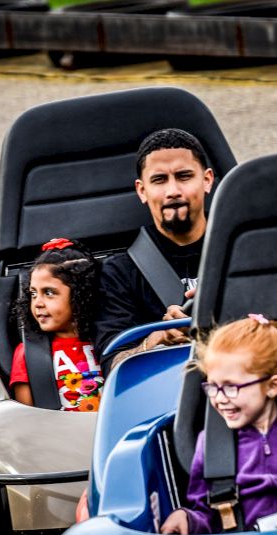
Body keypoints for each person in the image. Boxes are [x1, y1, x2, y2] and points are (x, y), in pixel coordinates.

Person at [161, 314, 277, 535]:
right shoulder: (210, 446)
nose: (219, 399)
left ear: (272, 386)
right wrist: (188, 519)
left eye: (231, 387)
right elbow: (207, 515)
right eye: (212, 387)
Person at [93, 128, 215, 377]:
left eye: (184, 176)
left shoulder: (243, 252)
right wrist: (159, 338)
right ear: (142, 190)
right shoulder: (117, 274)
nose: (173, 191)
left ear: (207, 180)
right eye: (159, 180)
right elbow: (113, 367)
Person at [10, 237, 103, 412]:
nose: (37, 302)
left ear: (80, 295)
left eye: (49, 293)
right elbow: (26, 417)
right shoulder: (29, 355)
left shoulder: (107, 339)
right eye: (33, 293)